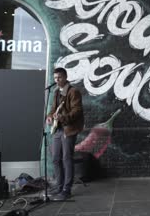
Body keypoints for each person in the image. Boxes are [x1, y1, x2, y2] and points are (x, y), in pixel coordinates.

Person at [46, 67, 84, 200]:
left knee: (67, 158)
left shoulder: (73, 92)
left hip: (69, 129)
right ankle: (59, 186)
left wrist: (62, 118)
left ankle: (66, 189)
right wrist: (50, 116)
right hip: (57, 129)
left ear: (66, 77)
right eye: (55, 78)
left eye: (59, 77)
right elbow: (52, 109)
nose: (57, 80)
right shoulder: (56, 92)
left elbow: (77, 111)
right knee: (56, 158)